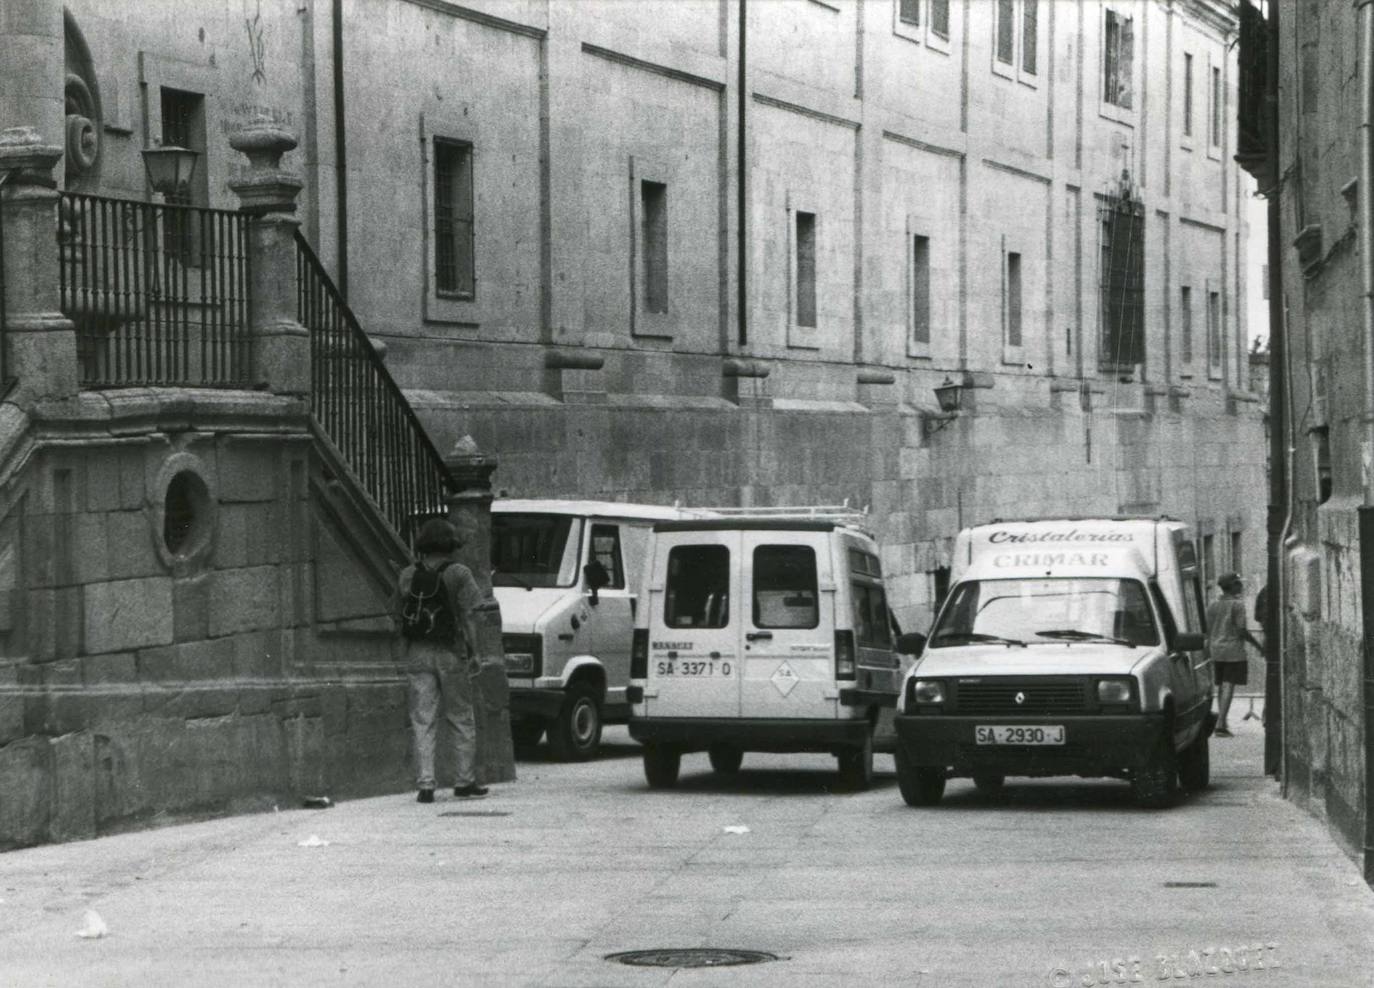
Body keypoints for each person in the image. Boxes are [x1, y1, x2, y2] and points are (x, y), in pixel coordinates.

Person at [394, 518, 487, 802]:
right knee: (460, 716)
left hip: (417, 652)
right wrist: (475, 651)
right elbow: (470, 615)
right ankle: (464, 781)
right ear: (451, 543)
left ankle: (425, 784)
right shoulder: (459, 573)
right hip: (450, 650)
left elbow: (399, 614)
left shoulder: (408, 574)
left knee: (423, 719)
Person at [1204, 573, 1263, 738]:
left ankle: (1222, 720)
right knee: (1229, 685)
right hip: (1233, 650)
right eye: (1239, 583)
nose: (1241, 586)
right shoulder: (1237, 605)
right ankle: (1221, 723)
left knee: (1222, 686)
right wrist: (1258, 645)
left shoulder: (1213, 605)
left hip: (1216, 649)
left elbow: (1207, 630)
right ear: (1234, 585)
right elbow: (1241, 630)